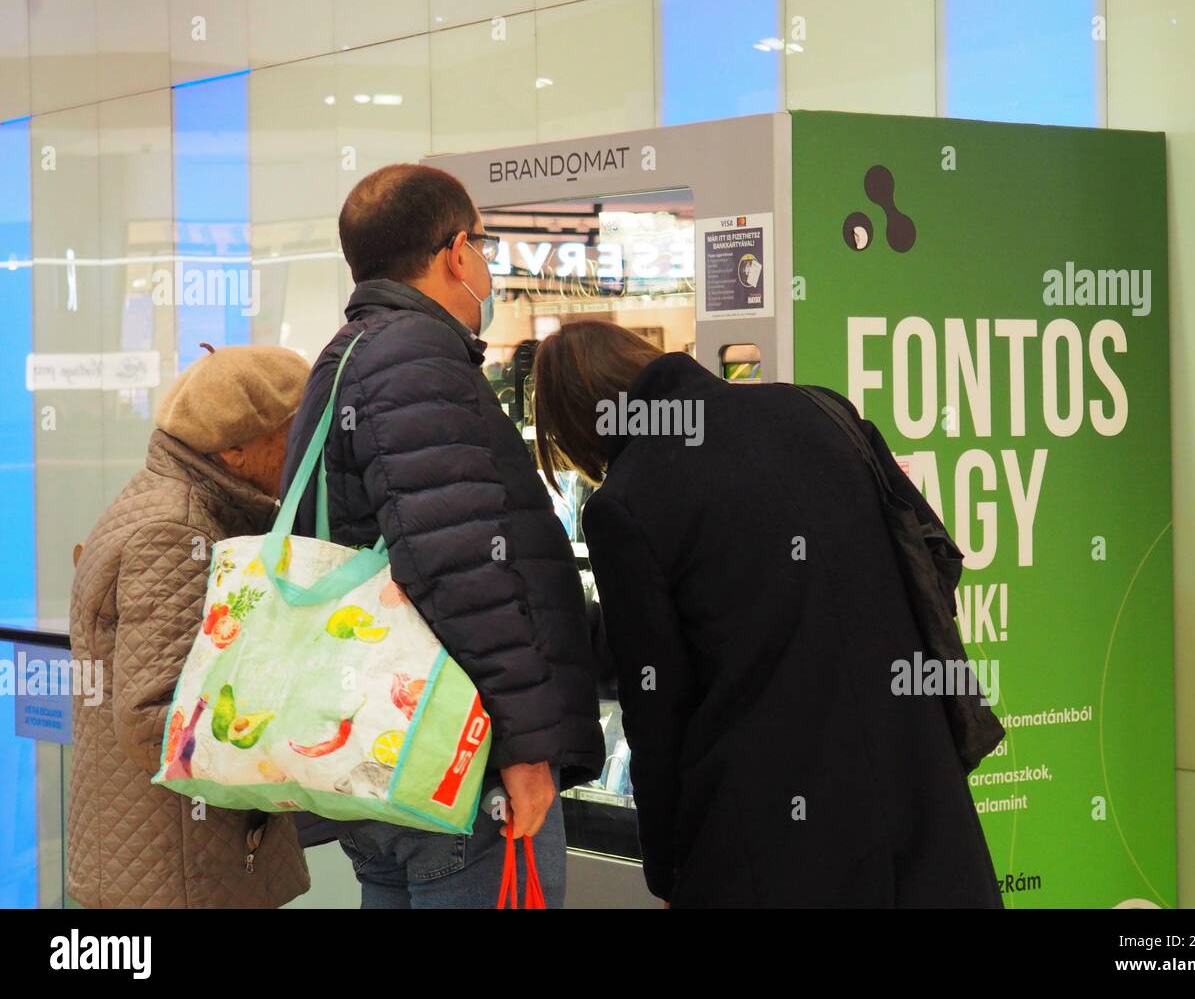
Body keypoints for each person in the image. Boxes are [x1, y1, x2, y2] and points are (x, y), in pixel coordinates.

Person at [532, 320, 1003, 909]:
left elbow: (657, 708)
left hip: (770, 836)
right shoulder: (820, 409)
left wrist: (668, 867)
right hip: (921, 798)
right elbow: (933, 560)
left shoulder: (627, 502)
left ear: (582, 423)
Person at [282, 164, 603, 909]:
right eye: (484, 247)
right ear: (457, 250)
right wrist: (524, 749)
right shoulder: (415, 358)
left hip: (378, 744)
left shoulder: (349, 355)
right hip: (455, 757)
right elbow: (460, 566)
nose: (485, 267)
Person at [68, 343, 312, 909]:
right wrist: (295, 743)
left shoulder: (177, 506)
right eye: (292, 432)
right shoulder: (178, 533)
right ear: (235, 450)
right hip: (183, 870)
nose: (304, 450)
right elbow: (155, 715)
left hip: (172, 860)